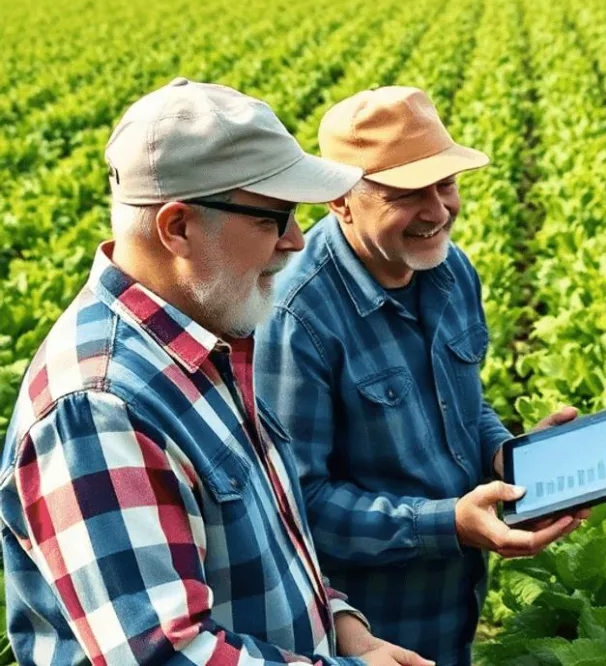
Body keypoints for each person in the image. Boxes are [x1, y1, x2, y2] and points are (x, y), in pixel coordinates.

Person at [0, 78, 432, 666]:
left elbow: (267, 544)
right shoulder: (98, 409)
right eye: (273, 219)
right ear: (177, 227)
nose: (296, 241)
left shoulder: (208, 338)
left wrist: (340, 623)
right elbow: (163, 656)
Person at [254, 86, 584, 666]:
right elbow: (293, 505)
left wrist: (509, 457)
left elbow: (466, 404)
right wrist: (447, 524)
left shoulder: (451, 268)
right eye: (406, 193)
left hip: (454, 601)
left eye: (446, 184)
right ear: (341, 201)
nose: (437, 211)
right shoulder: (295, 317)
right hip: (367, 628)